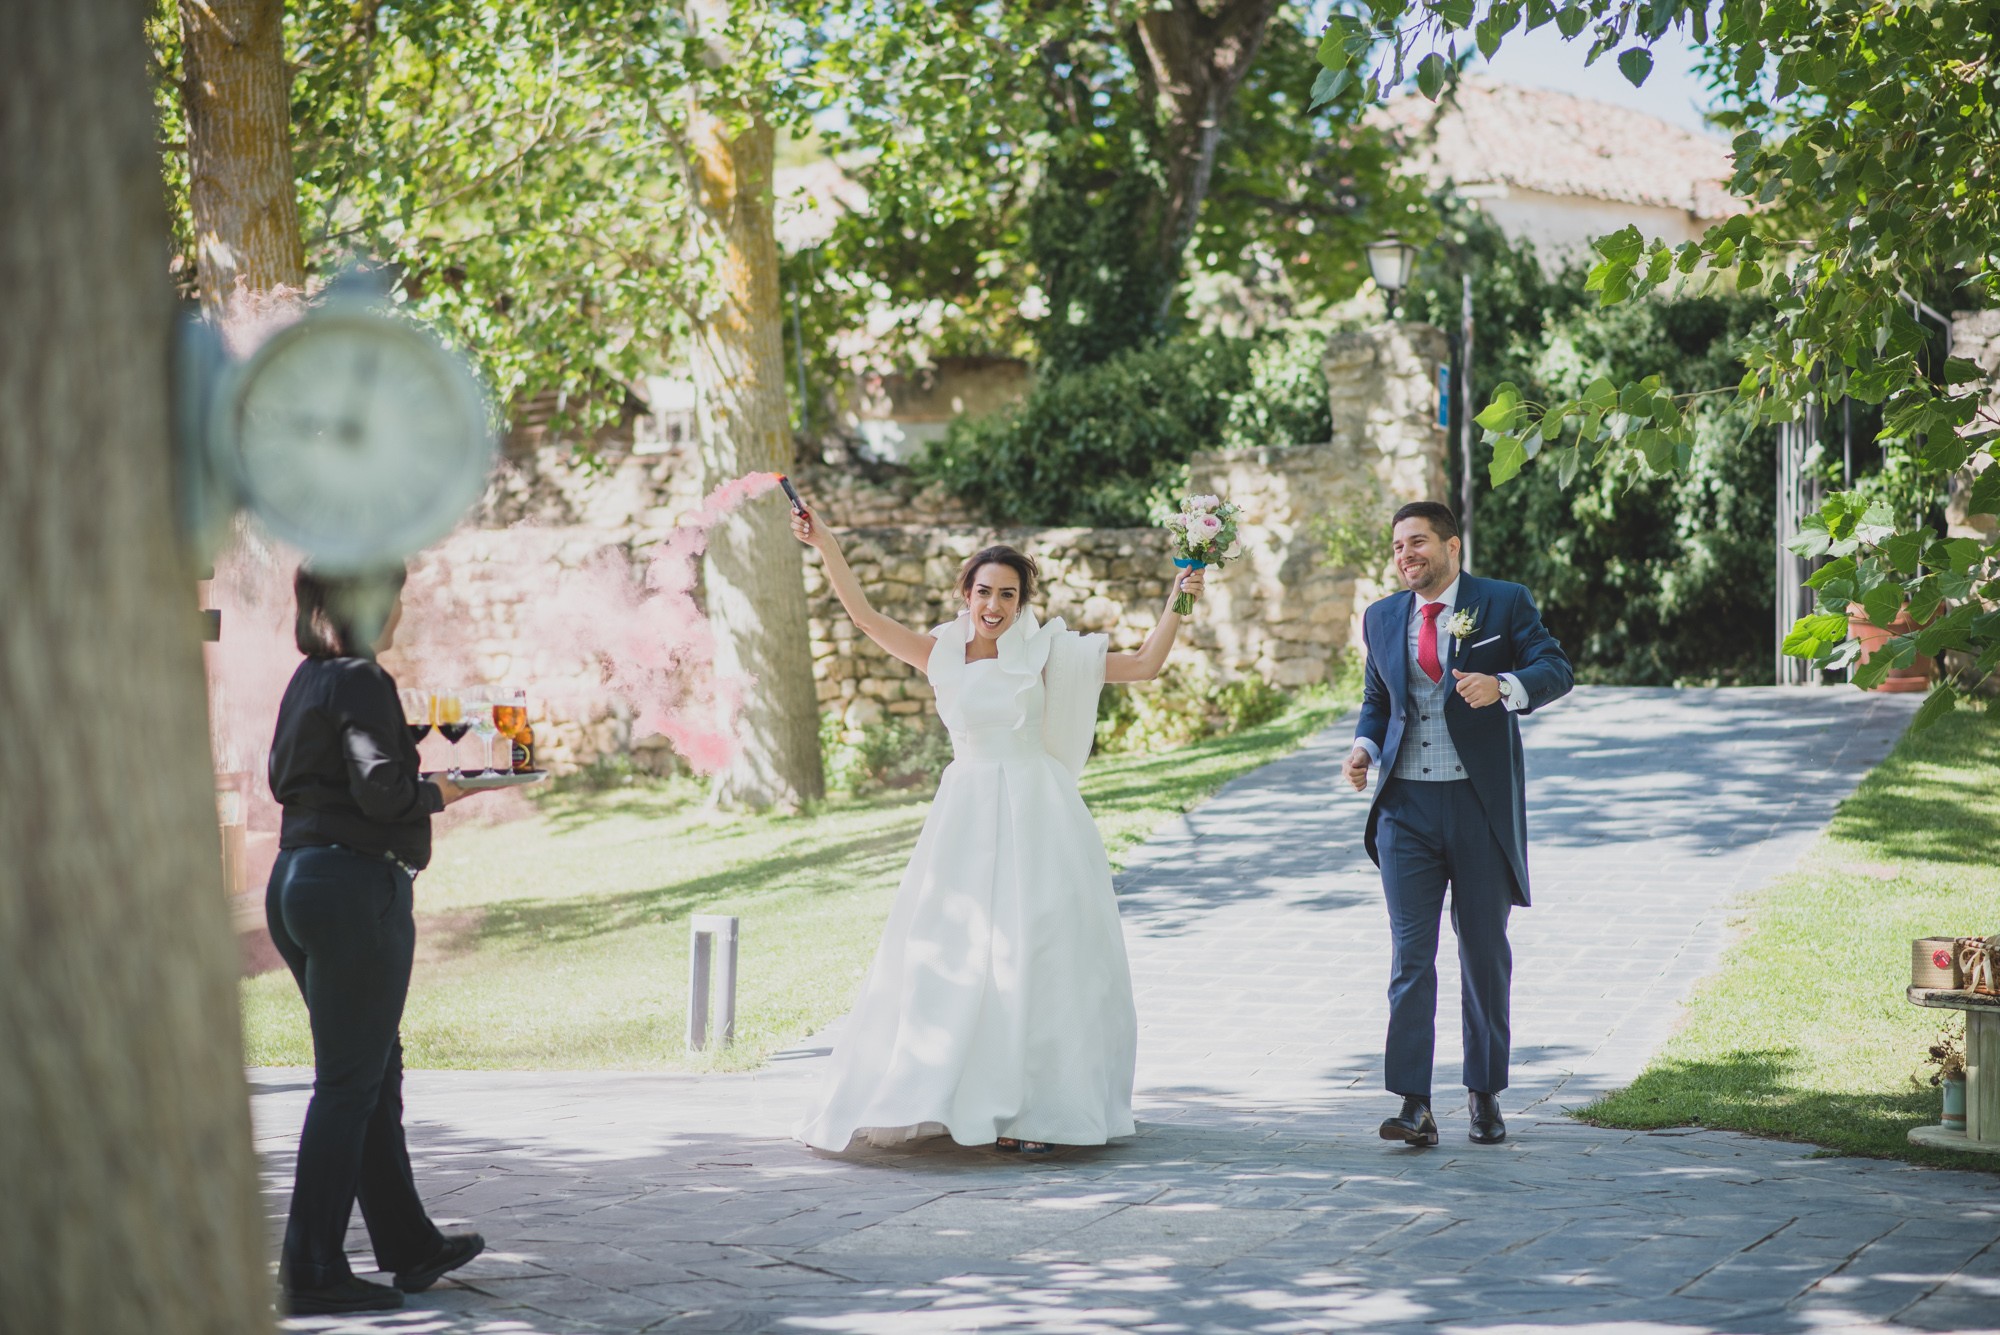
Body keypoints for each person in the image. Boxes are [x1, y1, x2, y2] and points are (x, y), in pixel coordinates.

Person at [790, 498, 1205, 1154]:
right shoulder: (940, 654)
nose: (994, 605)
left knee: (1042, 952)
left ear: (1020, 601)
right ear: (966, 592)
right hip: (966, 816)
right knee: (950, 953)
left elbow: (1145, 664)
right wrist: (828, 545)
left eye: (1007, 594)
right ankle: (946, 1092)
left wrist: (1180, 598)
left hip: (1039, 815)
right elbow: (865, 617)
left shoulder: (1045, 653)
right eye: (984, 590)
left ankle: (1035, 1109)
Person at [265, 566, 487, 1315]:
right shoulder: (360, 677)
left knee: (370, 1072)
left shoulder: (310, 677)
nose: (400, 609)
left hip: (294, 881)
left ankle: (409, 1243)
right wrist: (446, 791)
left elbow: (281, 778)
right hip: (354, 891)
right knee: (348, 1085)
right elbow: (383, 788)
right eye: (392, 595)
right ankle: (312, 1269)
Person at [1344, 501, 1572, 1148]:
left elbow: (1556, 668)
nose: (1405, 554)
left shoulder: (1502, 602)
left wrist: (1504, 686)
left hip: (1478, 807)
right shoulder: (1382, 616)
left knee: (1483, 954)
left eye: (1418, 542)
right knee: (1410, 957)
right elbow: (1378, 699)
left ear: (1452, 547)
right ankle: (1414, 1102)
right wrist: (1364, 747)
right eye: (1396, 546)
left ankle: (1484, 1093)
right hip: (1404, 812)